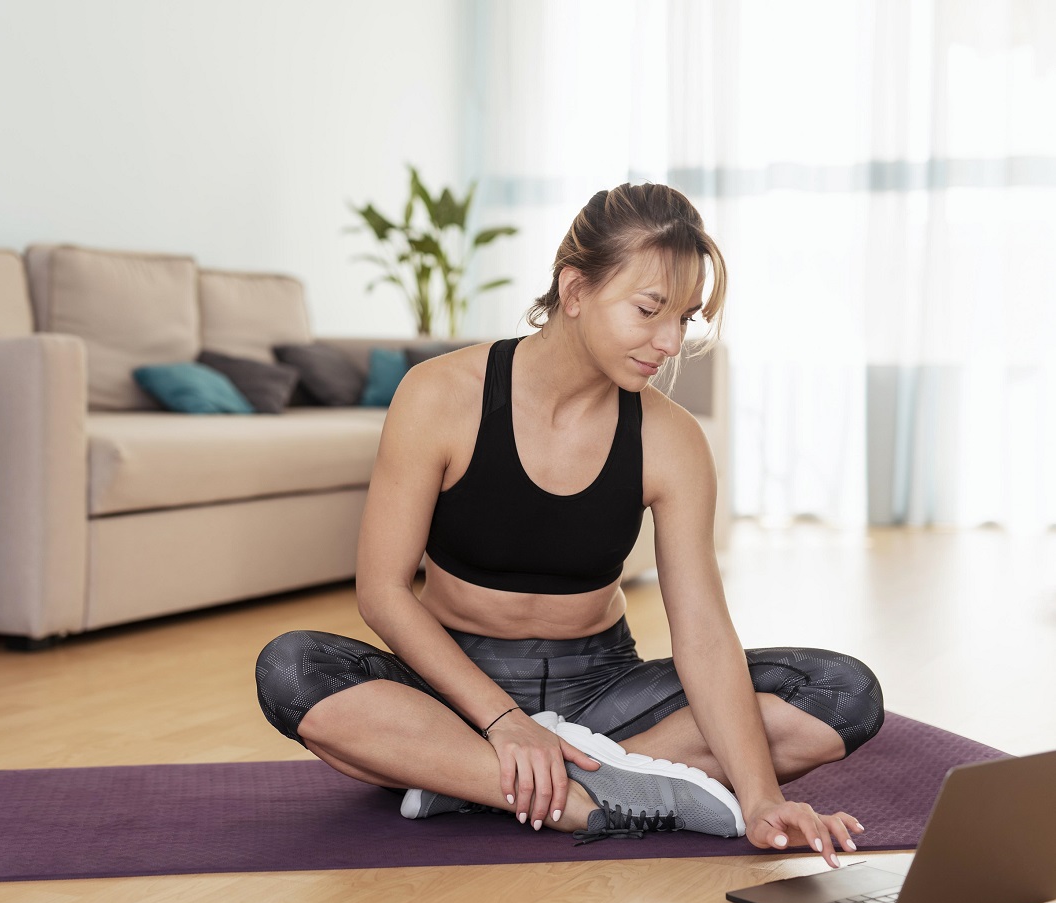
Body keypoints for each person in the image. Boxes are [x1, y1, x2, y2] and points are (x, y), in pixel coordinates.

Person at [255, 183, 883, 866]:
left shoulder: (673, 441)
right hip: (448, 686)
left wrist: (761, 801)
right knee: (291, 668)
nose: (670, 342)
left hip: (602, 690)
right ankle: (582, 798)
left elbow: (701, 628)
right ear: (575, 290)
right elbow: (382, 592)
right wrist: (504, 721)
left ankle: (470, 781)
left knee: (843, 694)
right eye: (649, 310)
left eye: (685, 318)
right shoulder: (440, 396)